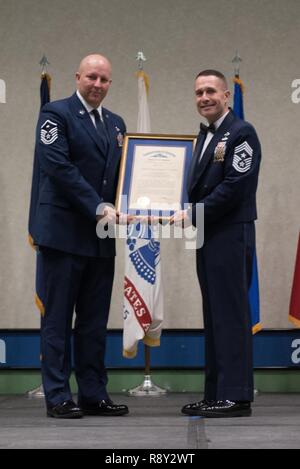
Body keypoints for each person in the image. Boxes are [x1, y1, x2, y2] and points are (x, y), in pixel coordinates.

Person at [28, 54, 129, 418]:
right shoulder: (55, 113)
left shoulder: (116, 124)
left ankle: (93, 393)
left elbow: (122, 175)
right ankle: (57, 395)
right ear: (78, 77)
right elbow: (58, 167)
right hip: (63, 234)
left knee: (93, 321)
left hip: (100, 237)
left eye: (104, 79)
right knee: (57, 319)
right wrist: (99, 206)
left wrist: (141, 203)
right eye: (91, 77)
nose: (97, 84)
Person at [173, 70, 261, 418]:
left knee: (232, 315)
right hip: (209, 235)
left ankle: (236, 396)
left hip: (230, 233)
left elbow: (236, 185)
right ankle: (215, 393)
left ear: (227, 96)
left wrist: (193, 213)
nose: (204, 97)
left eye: (211, 91)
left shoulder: (242, 132)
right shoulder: (204, 137)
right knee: (215, 315)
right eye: (198, 92)